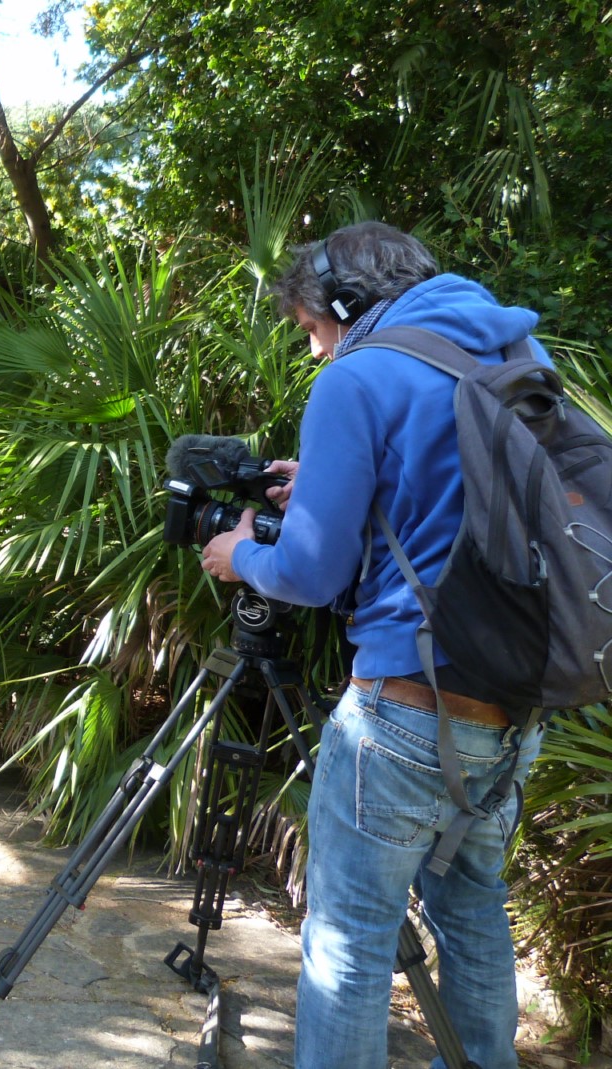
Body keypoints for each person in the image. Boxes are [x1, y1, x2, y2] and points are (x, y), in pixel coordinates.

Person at [198, 221, 548, 1069]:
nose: (317, 353)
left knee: (349, 938)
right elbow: (437, 499)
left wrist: (238, 555)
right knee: (473, 915)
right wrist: (317, 476)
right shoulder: (515, 350)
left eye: (314, 331)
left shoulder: (358, 375)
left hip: (405, 714)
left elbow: (313, 572)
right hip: (514, 710)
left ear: (346, 305)